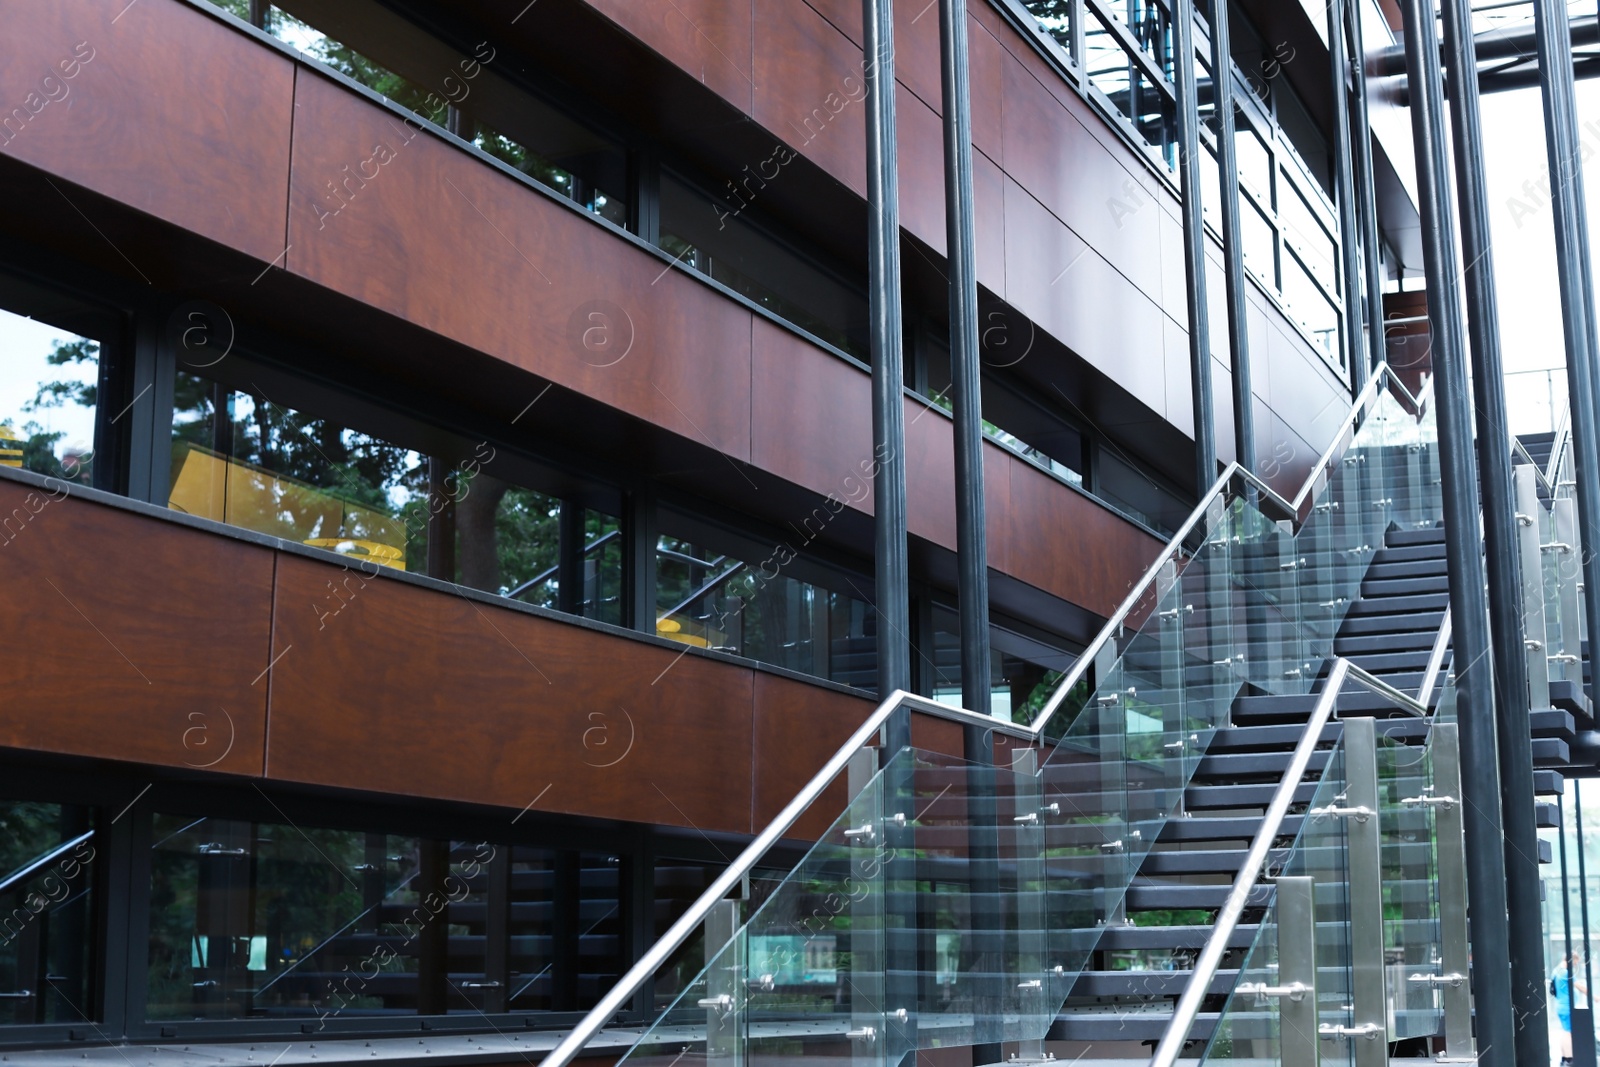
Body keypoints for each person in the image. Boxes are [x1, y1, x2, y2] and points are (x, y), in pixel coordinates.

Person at [1554, 954, 1591, 1067]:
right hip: (1566, 1007)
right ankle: (1569, 1060)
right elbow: (1579, 986)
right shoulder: (1565, 972)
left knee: (1565, 1031)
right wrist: (1594, 997)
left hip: (1561, 1005)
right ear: (1571, 960)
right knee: (1568, 1033)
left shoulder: (1556, 971)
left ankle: (1565, 1059)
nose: (1575, 965)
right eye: (1575, 962)